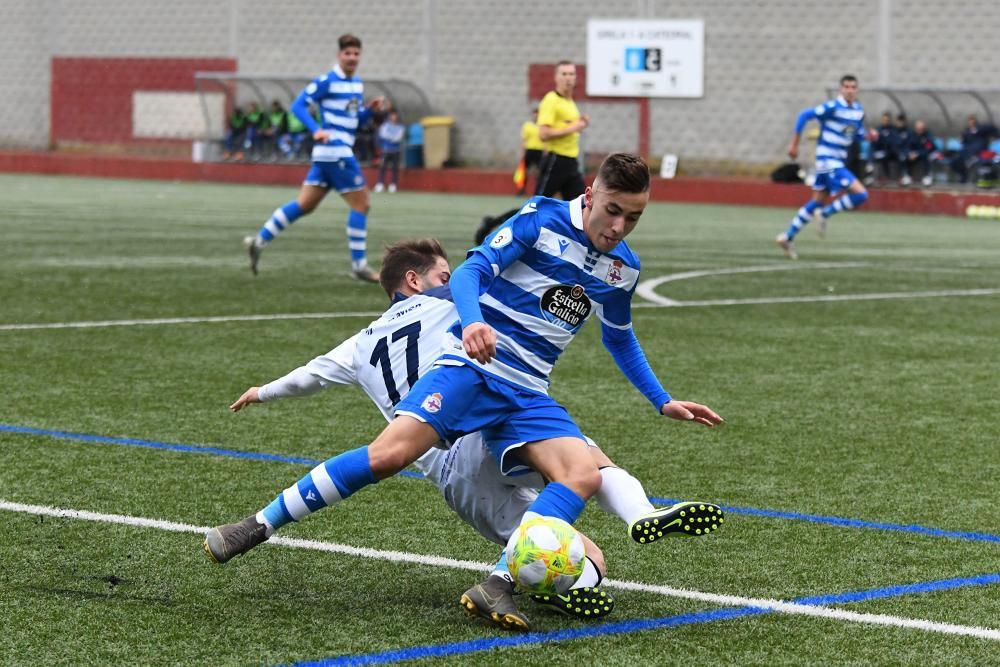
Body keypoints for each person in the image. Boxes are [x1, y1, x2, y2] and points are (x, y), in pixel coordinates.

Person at [205, 154, 724, 630]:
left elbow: (620, 337)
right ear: (590, 193)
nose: (619, 226)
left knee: (582, 472)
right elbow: (475, 267)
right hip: (472, 368)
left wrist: (662, 400)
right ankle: (256, 525)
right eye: (613, 211)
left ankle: (498, 584)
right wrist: (474, 324)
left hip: (527, 390)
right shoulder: (540, 219)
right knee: (389, 455)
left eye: (633, 218)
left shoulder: (623, 268)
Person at [243, 34, 385, 281]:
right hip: (336, 151)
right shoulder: (327, 81)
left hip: (330, 154)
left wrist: (368, 112)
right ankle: (359, 266)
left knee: (304, 204)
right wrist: (315, 129)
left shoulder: (356, 84)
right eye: (347, 53)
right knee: (362, 204)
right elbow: (298, 105)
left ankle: (259, 241)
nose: (352, 58)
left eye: (356, 53)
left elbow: (353, 121)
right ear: (339, 55)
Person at [474, 61, 590, 245]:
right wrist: (575, 126)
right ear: (556, 77)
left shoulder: (570, 103)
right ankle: (493, 224)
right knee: (533, 207)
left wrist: (579, 123)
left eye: (572, 74)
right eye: (564, 74)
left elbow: (566, 127)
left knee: (582, 207)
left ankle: (579, 248)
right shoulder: (551, 100)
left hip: (570, 163)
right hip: (556, 160)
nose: (569, 78)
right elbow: (544, 133)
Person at [776, 75, 868, 259]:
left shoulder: (858, 111)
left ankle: (787, 236)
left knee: (817, 200)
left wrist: (867, 135)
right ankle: (825, 214)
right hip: (828, 161)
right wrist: (794, 144)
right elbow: (804, 115)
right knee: (860, 194)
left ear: (857, 90)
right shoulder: (833, 107)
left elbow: (853, 133)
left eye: (853, 87)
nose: (850, 90)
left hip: (833, 163)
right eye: (846, 87)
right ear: (841, 89)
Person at [950, 115, 999, 184]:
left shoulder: (981, 128)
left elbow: (993, 129)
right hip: (967, 152)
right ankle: (963, 175)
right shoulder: (967, 131)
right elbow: (963, 141)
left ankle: (985, 178)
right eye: (969, 121)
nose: (971, 123)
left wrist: (995, 136)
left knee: (981, 162)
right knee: (955, 161)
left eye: (972, 121)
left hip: (979, 152)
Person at [516, 107, 545, 196]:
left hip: (539, 151)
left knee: (539, 173)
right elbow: (524, 140)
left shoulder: (543, 126)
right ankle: (521, 190)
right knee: (524, 171)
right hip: (529, 150)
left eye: (537, 114)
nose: (536, 115)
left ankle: (539, 191)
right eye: (534, 113)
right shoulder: (527, 126)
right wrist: (522, 153)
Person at [373, 110, 404, 193]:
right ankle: (380, 184)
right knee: (382, 167)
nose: (393, 117)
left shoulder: (400, 127)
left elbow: (398, 138)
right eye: (392, 115)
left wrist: (390, 137)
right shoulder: (385, 125)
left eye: (395, 115)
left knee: (395, 168)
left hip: (395, 151)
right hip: (386, 150)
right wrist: (392, 137)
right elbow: (383, 134)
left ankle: (393, 185)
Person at [906, 119, 941, 187]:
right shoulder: (912, 135)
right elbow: (908, 146)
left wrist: (917, 153)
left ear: (924, 128)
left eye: (921, 129)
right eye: (918, 129)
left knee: (928, 157)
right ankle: (908, 176)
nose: (919, 130)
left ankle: (927, 176)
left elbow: (928, 149)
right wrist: (910, 153)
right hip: (916, 154)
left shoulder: (928, 135)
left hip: (927, 153)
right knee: (906, 157)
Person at [870, 111, 897, 183]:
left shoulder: (893, 130)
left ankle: (885, 176)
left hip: (891, 151)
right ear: (882, 120)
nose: (886, 122)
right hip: (880, 151)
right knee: (872, 152)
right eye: (884, 120)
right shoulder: (879, 129)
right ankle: (870, 172)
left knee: (885, 156)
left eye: (887, 120)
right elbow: (876, 142)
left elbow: (893, 142)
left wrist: (883, 139)